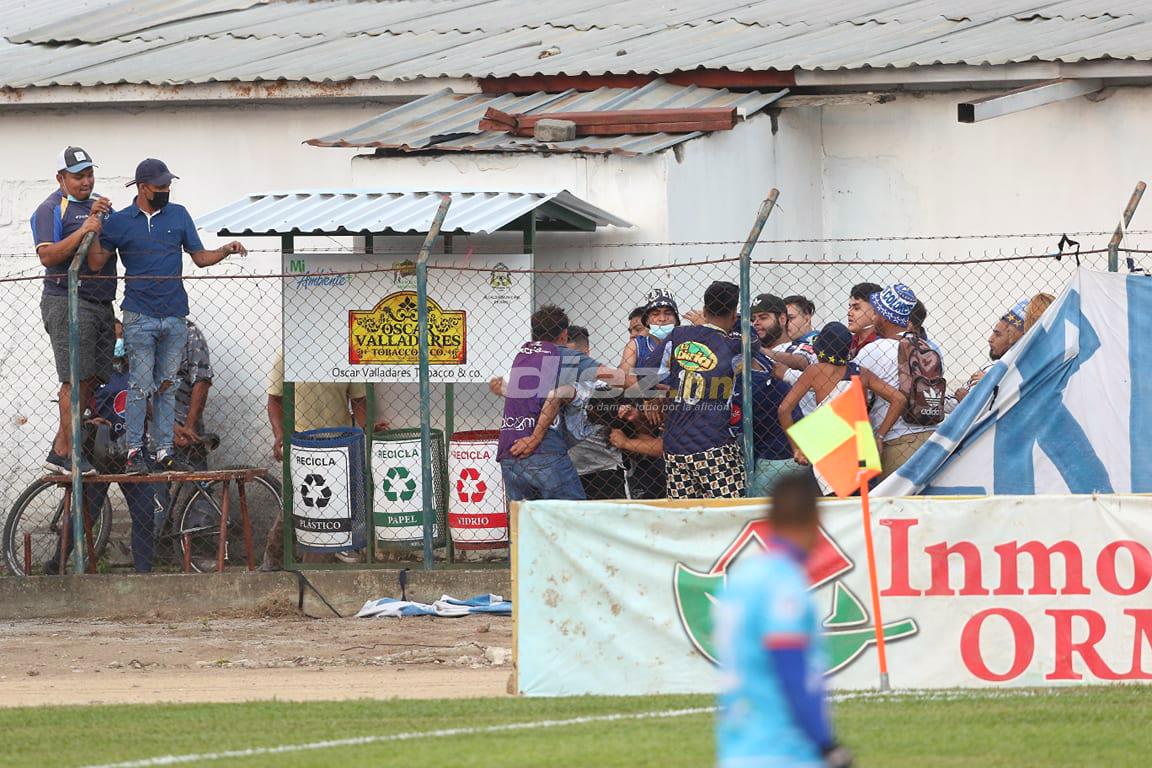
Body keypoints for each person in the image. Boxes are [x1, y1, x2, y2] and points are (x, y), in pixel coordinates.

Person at [88, 158, 247, 475]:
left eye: (168, 185)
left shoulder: (179, 215)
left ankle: (163, 451)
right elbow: (95, 264)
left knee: (166, 386)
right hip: (139, 314)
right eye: (161, 187)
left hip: (174, 314)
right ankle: (135, 452)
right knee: (139, 386)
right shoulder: (119, 221)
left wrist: (226, 249)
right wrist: (94, 226)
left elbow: (200, 258)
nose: (166, 191)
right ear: (143, 187)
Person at [714, 474, 853, 768]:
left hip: (738, 749)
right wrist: (825, 744)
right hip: (784, 748)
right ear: (814, 520)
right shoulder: (783, 582)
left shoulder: (742, 578)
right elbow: (790, 665)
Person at [44, 323, 159, 574]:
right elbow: (73, 407)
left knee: (144, 514)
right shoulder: (93, 374)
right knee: (85, 515)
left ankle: (144, 575)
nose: (119, 341)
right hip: (98, 453)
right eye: (114, 336)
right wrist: (87, 420)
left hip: (132, 453)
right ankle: (57, 565)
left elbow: (150, 407)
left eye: (121, 337)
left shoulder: (139, 371)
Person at [32, 146, 115, 475]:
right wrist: (84, 230)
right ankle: (70, 456)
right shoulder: (51, 208)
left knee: (93, 377)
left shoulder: (95, 208)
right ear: (61, 178)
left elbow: (97, 258)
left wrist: (102, 220)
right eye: (78, 176)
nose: (86, 181)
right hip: (66, 301)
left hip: (100, 302)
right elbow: (48, 256)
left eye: (89, 174)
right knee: (73, 379)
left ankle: (60, 449)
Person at [491, 305, 620, 502]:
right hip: (545, 452)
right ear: (564, 335)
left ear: (534, 332)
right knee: (573, 517)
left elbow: (520, 394)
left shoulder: (523, 357)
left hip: (509, 453)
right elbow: (620, 379)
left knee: (526, 522)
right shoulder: (564, 355)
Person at [260, 349, 368, 571]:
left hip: (339, 445)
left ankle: (313, 571)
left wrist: (369, 427)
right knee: (296, 503)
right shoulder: (287, 354)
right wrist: (280, 435)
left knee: (329, 507)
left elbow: (358, 401)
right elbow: (275, 400)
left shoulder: (346, 355)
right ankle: (274, 559)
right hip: (303, 443)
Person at [778, 322, 907, 496]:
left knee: (830, 508)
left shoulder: (815, 371)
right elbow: (899, 399)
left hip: (829, 447)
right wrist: (880, 436)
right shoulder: (861, 373)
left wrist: (797, 448)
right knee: (860, 507)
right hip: (861, 450)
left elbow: (784, 410)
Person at [652, 281, 746, 499]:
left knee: (685, 519)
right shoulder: (734, 346)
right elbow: (757, 358)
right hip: (715, 446)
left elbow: (645, 373)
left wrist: (672, 385)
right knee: (729, 516)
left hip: (675, 447)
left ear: (704, 310)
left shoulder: (677, 336)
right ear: (733, 315)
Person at [854, 284, 936, 479]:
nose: (873, 318)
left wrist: (878, 435)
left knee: (895, 506)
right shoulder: (925, 347)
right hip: (931, 438)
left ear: (884, 317)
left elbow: (848, 388)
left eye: (876, 313)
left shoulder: (874, 350)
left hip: (897, 441)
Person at [735, 294, 803, 495]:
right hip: (763, 450)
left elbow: (802, 361)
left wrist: (757, 350)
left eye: (763, 317)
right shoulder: (750, 357)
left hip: (795, 448)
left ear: (782, 319)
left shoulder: (799, 347)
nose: (757, 324)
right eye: (753, 319)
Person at [563, 326, 628, 500]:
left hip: (604, 471)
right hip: (567, 472)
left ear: (586, 351)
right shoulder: (554, 384)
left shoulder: (605, 385)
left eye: (573, 356)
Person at [951, 299, 1027, 405]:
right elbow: (953, 402)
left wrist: (968, 403)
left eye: (998, 334)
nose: (990, 339)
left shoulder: (1025, 372)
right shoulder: (990, 370)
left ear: (1013, 337)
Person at [172, 318, 213, 470]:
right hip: (151, 435)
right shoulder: (140, 331)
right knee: (154, 492)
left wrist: (188, 427)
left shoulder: (188, 331)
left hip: (187, 433)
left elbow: (202, 380)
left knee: (199, 487)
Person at [607, 400, 666, 499]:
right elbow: (649, 431)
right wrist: (636, 419)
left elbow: (664, 448)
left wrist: (626, 443)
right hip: (640, 468)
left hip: (668, 466)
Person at [620, 288, 679, 375]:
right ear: (647, 321)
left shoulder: (684, 343)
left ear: (676, 320)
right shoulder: (636, 346)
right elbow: (624, 376)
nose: (662, 319)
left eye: (668, 313)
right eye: (655, 314)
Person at [846, 282, 881, 359]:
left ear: (874, 311)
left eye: (856, 308)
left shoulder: (881, 344)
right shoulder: (847, 341)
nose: (849, 313)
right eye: (849, 307)